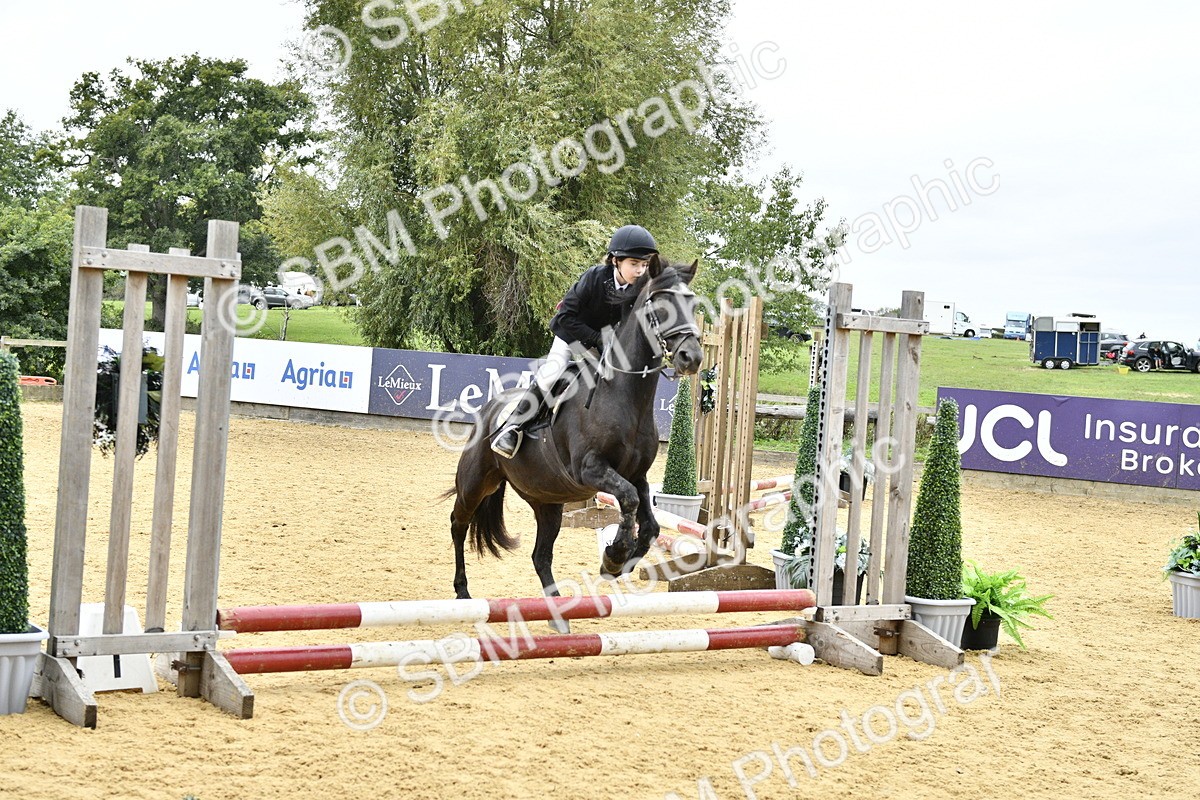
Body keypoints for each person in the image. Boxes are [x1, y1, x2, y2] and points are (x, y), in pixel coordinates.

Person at [490, 224, 659, 458]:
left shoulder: (641, 288)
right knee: (552, 373)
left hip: (604, 343)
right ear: (615, 261)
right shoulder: (594, 278)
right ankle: (513, 427)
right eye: (634, 264)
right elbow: (565, 317)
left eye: (645, 265)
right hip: (571, 334)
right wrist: (596, 338)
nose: (640, 271)